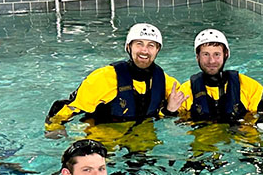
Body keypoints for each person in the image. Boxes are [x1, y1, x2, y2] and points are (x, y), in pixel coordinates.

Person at [45, 23, 184, 134]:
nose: (144, 51)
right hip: (102, 136)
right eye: (139, 44)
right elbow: (69, 107)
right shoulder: (104, 77)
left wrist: (169, 111)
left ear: (157, 50)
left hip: (141, 138)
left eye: (151, 45)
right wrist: (54, 128)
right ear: (128, 47)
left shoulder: (165, 82)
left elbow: (188, 113)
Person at [173, 29, 263, 123]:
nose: (211, 61)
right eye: (205, 54)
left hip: (241, 138)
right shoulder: (185, 91)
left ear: (226, 55)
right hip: (204, 138)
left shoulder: (249, 87)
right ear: (197, 57)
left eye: (217, 54)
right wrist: (169, 111)